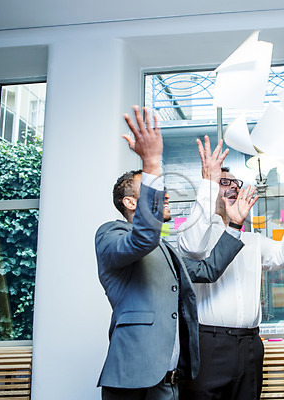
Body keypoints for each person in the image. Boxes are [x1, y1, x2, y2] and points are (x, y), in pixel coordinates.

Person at [95, 106, 257, 400]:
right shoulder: (110, 234)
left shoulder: (166, 249)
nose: (165, 195)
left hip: (170, 381)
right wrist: (151, 163)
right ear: (131, 203)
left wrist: (235, 225)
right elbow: (142, 238)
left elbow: (208, 270)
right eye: (154, 190)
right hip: (132, 377)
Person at [177, 137, 284, 400]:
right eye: (223, 182)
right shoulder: (197, 235)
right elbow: (191, 247)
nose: (233, 188)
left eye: (235, 184)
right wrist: (209, 182)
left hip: (250, 345)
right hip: (209, 345)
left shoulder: (253, 241)